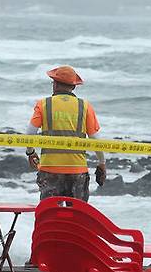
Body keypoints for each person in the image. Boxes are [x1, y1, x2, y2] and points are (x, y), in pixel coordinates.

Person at [25, 65, 106, 201]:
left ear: (55, 84)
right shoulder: (84, 106)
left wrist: (30, 152)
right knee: (76, 218)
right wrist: (101, 162)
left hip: (50, 171)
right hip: (77, 171)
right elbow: (95, 139)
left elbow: (30, 133)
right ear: (73, 87)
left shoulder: (44, 104)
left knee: (50, 216)